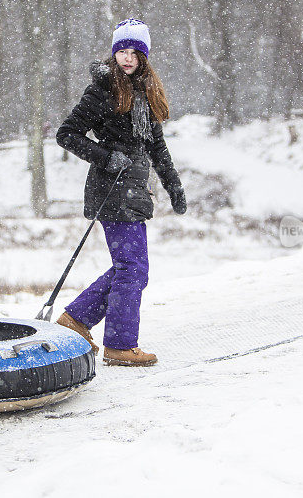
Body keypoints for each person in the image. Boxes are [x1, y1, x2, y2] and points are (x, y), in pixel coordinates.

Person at [55, 19, 186, 367]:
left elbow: (156, 146)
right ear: (114, 54)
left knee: (131, 267)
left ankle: (77, 319)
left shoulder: (144, 92)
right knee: (132, 268)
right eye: (121, 51)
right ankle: (120, 343)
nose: (127, 58)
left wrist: (173, 184)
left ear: (143, 57)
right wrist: (106, 156)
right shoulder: (102, 90)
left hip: (135, 190)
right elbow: (67, 134)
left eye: (134, 52)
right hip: (111, 189)